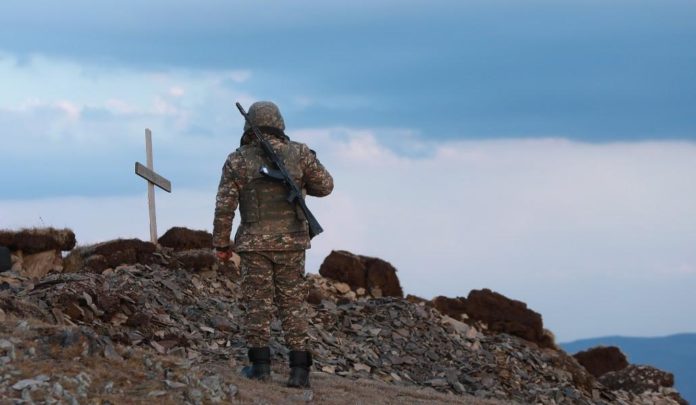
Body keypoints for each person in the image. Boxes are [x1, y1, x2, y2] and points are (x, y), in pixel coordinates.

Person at [212, 101, 333, 388]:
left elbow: (224, 206)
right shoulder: (300, 153)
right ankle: (299, 372)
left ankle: (260, 367)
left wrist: (221, 244)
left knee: (258, 305)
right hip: (292, 242)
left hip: (254, 244)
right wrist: (301, 179)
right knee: (293, 305)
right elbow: (325, 186)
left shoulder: (237, 160)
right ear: (280, 123)